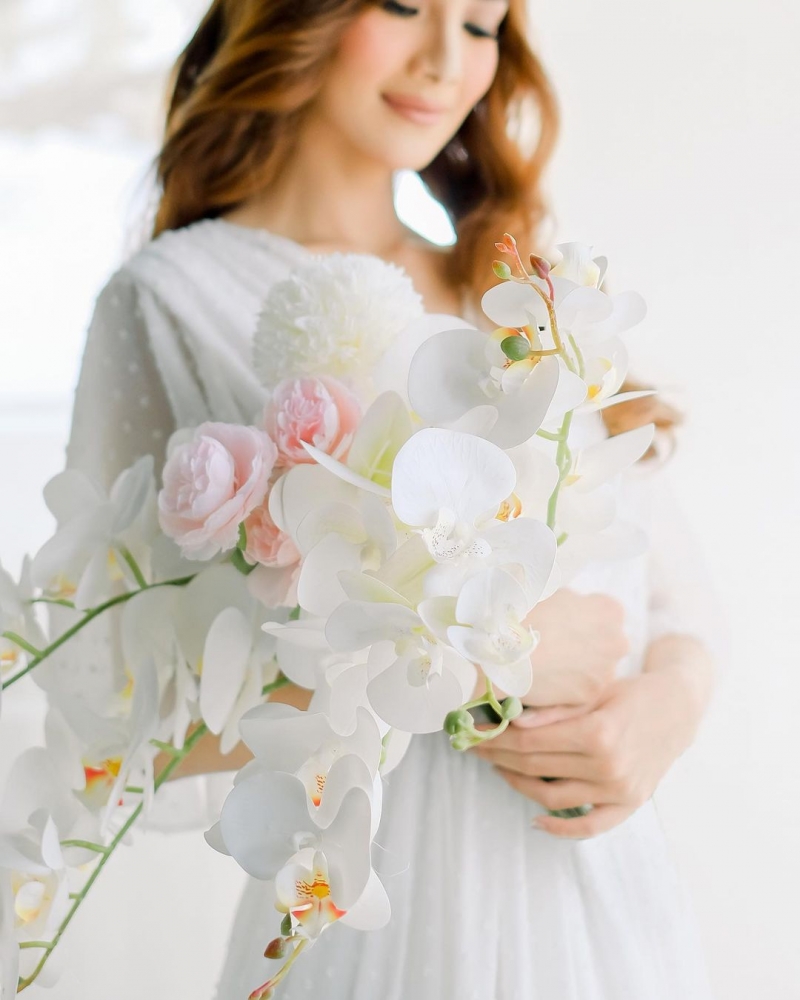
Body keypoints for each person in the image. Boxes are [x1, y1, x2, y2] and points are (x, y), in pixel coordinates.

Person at [63, 0, 728, 996]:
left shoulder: (513, 284)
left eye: (481, 24)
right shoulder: (168, 300)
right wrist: (468, 665)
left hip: (596, 900)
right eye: (406, 5)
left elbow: (677, 599)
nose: (443, 61)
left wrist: (661, 713)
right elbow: (121, 715)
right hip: (380, 912)